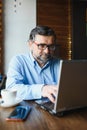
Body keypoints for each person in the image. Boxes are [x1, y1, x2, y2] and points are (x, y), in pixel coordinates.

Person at [6, 25, 60, 103]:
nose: (47, 51)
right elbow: (12, 88)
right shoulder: (18, 61)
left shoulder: (60, 64)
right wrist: (42, 89)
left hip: (54, 108)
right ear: (30, 44)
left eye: (51, 46)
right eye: (41, 46)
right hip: (28, 110)